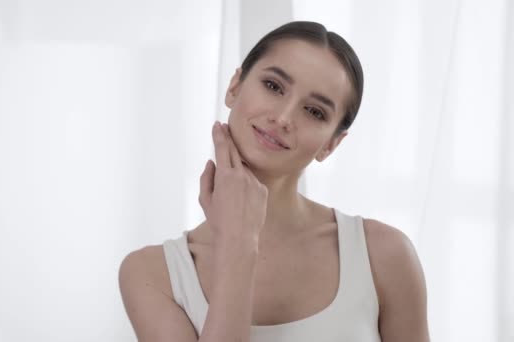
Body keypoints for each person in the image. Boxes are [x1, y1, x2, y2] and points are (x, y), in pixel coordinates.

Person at [119, 21, 430, 341]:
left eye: (314, 111)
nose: (282, 118)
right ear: (234, 86)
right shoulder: (153, 274)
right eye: (273, 86)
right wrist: (238, 246)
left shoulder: (385, 256)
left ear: (331, 144)